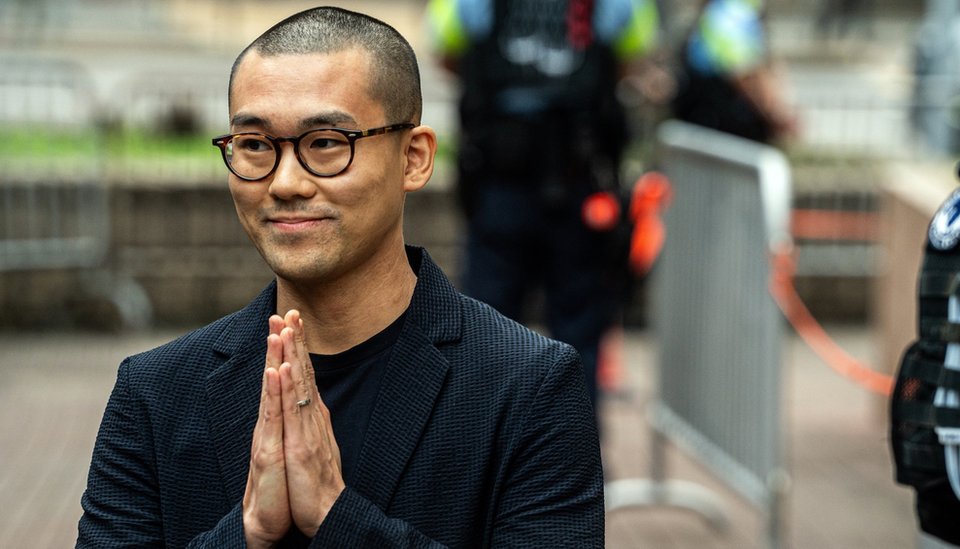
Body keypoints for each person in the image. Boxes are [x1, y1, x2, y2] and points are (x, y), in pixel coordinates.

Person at [76, 7, 604, 548]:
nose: (284, 182)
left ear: (414, 159)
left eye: (326, 143)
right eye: (255, 145)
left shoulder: (527, 388)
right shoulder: (155, 392)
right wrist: (248, 532)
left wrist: (338, 516)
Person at [426, 0, 658, 411]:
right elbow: (632, 54)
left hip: (502, 179)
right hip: (580, 183)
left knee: (485, 331)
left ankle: (487, 460)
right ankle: (575, 463)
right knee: (579, 333)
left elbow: (446, 49)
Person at [670, 0, 796, 144]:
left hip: (706, 111)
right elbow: (742, 74)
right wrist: (773, 115)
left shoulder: (731, 10)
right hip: (719, 117)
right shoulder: (732, 12)